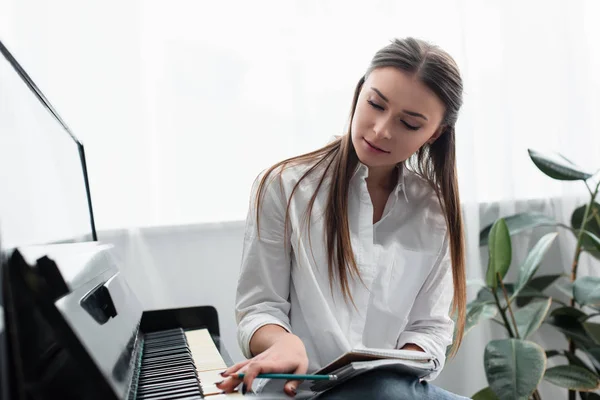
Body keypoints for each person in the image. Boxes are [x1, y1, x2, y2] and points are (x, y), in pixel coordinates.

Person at [216, 37, 468, 399]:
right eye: (375, 104)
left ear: (435, 134)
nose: (381, 129)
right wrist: (283, 342)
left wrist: (390, 376)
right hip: (299, 393)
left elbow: (429, 329)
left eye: (410, 124)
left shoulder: (434, 212)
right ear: (359, 91)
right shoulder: (284, 186)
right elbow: (258, 307)